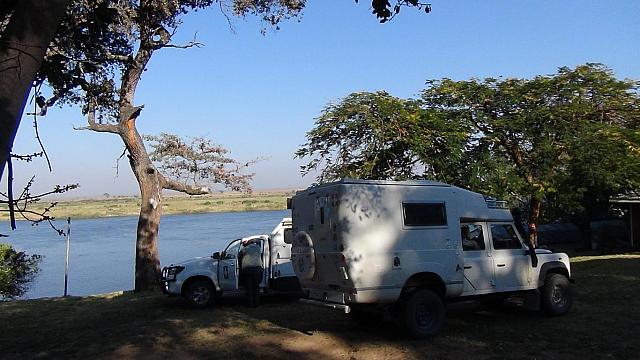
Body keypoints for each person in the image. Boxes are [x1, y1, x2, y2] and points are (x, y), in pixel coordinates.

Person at [239, 239, 263, 307]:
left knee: (249, 288)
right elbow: (259, 242)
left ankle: (250, 304)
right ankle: (257, 304)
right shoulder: (258, 248)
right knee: (256, 288)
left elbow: (239, 255)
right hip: (257, 270)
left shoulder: (245, 249)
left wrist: (243, 244)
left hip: (248, 270)